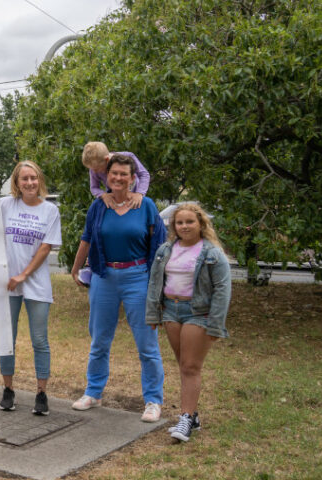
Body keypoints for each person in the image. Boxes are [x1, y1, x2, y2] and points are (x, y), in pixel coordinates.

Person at [69, 154, 166, 422]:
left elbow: (159, 245)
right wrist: (76, 268)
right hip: (104, 276)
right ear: (106, 176)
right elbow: (86, 239)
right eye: (114, 174)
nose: (119, 178)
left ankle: (153, 400)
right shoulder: (99, 205)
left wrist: (159, 282)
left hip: (138, 277)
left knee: (146, 344)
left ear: (133, 178)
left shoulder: (145, 205)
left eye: (124, 174)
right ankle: (94, 392)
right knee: (99, 340)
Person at [146, 203, 231, 442]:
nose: (184, 226)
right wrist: (154, 313)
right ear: (174, 226)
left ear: (201, 224)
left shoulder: (212, 253)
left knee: (191, 367)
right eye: (180, 222)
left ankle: (184, 419)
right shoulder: (166, 249)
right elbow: (155, 283)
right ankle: (192, 416)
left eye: (190, 222)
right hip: (171, 311)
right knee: (183, 365)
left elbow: (223, 290)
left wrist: (216, 324)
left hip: (198, 312)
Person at [0, 161, 62, 416]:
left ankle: (41, 393)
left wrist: (23, 275)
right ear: (16, 183)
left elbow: (45, 248)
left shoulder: (50, 210)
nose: (30, 183)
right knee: (7, 339)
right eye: (24, 179)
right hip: (7, 284)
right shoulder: (6, 205)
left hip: (35, 284)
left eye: (34, 178)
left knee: (40, 340)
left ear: (40, 180)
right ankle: (8, 390)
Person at [82, 141, 151, 210]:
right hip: (117, 200)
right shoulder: (94, 168)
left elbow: (144, 174)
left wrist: (139, 193)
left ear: (107, 160)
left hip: (136, 197)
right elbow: (94, 187)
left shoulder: (127, 157)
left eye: (96, 169)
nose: (94, 172)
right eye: (91, 169)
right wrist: (104, 195)